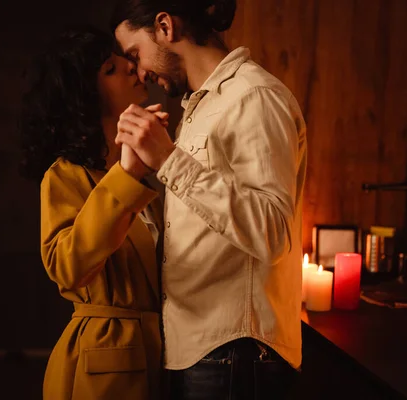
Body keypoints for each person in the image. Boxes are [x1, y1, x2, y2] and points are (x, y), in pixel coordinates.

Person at [110, 1, 308, 399]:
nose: (141, 73)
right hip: (204, 351)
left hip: (236, 354)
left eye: (136, 55)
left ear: (165, 26)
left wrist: (168, 159)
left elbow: (272, 231)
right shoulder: (199, 108)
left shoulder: (253, 97)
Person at [18, 25, 168, 400]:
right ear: (85, 95)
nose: (132, 68)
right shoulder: (65, 175)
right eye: (110, 68)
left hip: (166, 358)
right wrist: (127, 175)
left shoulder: (153, 162)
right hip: (103, 367)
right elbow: (69, 267)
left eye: (126, 60)